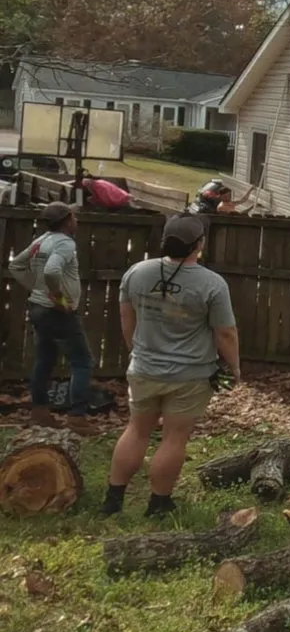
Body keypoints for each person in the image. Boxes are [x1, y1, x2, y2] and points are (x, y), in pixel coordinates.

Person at [100, 215, 241, 517]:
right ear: (199, 244)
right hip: (190, 376)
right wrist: (235, 368)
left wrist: (135, 350)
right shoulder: (212, 284)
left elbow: (127, 318)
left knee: (137, 430)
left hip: (144, 368)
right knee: (174, 438)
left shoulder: (136, 272)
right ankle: (159, 503)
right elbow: (226, 333)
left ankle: (113, 500)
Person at [8, 202, 97, 435]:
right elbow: (51, 271)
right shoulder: (65, 243)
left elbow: (16, 265)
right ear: (67, 220)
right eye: (74, 217)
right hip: (56, 312)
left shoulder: (42, 240)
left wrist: (36, 288)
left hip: (38, 308)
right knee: (82, 361)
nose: (77, 220)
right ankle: (77, 417)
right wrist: (58, 298)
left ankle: (39, 412)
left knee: (45, 360)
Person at [188, 179, 252, 215]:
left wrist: (250, 190)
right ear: (222, 196)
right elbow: (239, 215)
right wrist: (251, 208)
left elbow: (243, 200)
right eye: (227, 196)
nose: (229, 197)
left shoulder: (230, 203)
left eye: (230, 195)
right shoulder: (222, 207)